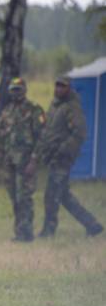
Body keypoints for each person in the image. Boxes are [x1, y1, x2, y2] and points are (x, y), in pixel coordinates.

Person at [36, 76, 103, 238]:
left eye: (62, 86)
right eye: (57, 85)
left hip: (62, 159)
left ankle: (48, 231)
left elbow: (80, 133)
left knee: (51, 195)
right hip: (52, 157)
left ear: (69, 88)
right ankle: (93, 225)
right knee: (64, 196)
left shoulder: (72, 107)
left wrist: (63, 149)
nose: (59, 89)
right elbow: (49, 129)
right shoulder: (54, 105)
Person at [0, 77, 45, 242]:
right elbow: (0, 139)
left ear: (25, 90)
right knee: (14, 197)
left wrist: (34, 160)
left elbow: (41, 138)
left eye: (18, 89)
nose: (15, 93)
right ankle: (19, 232)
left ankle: (26, 234)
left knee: (24, 198)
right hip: (9, 162)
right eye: (13, 89)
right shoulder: (6, 112)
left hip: (26, 162)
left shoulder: (35, 110)